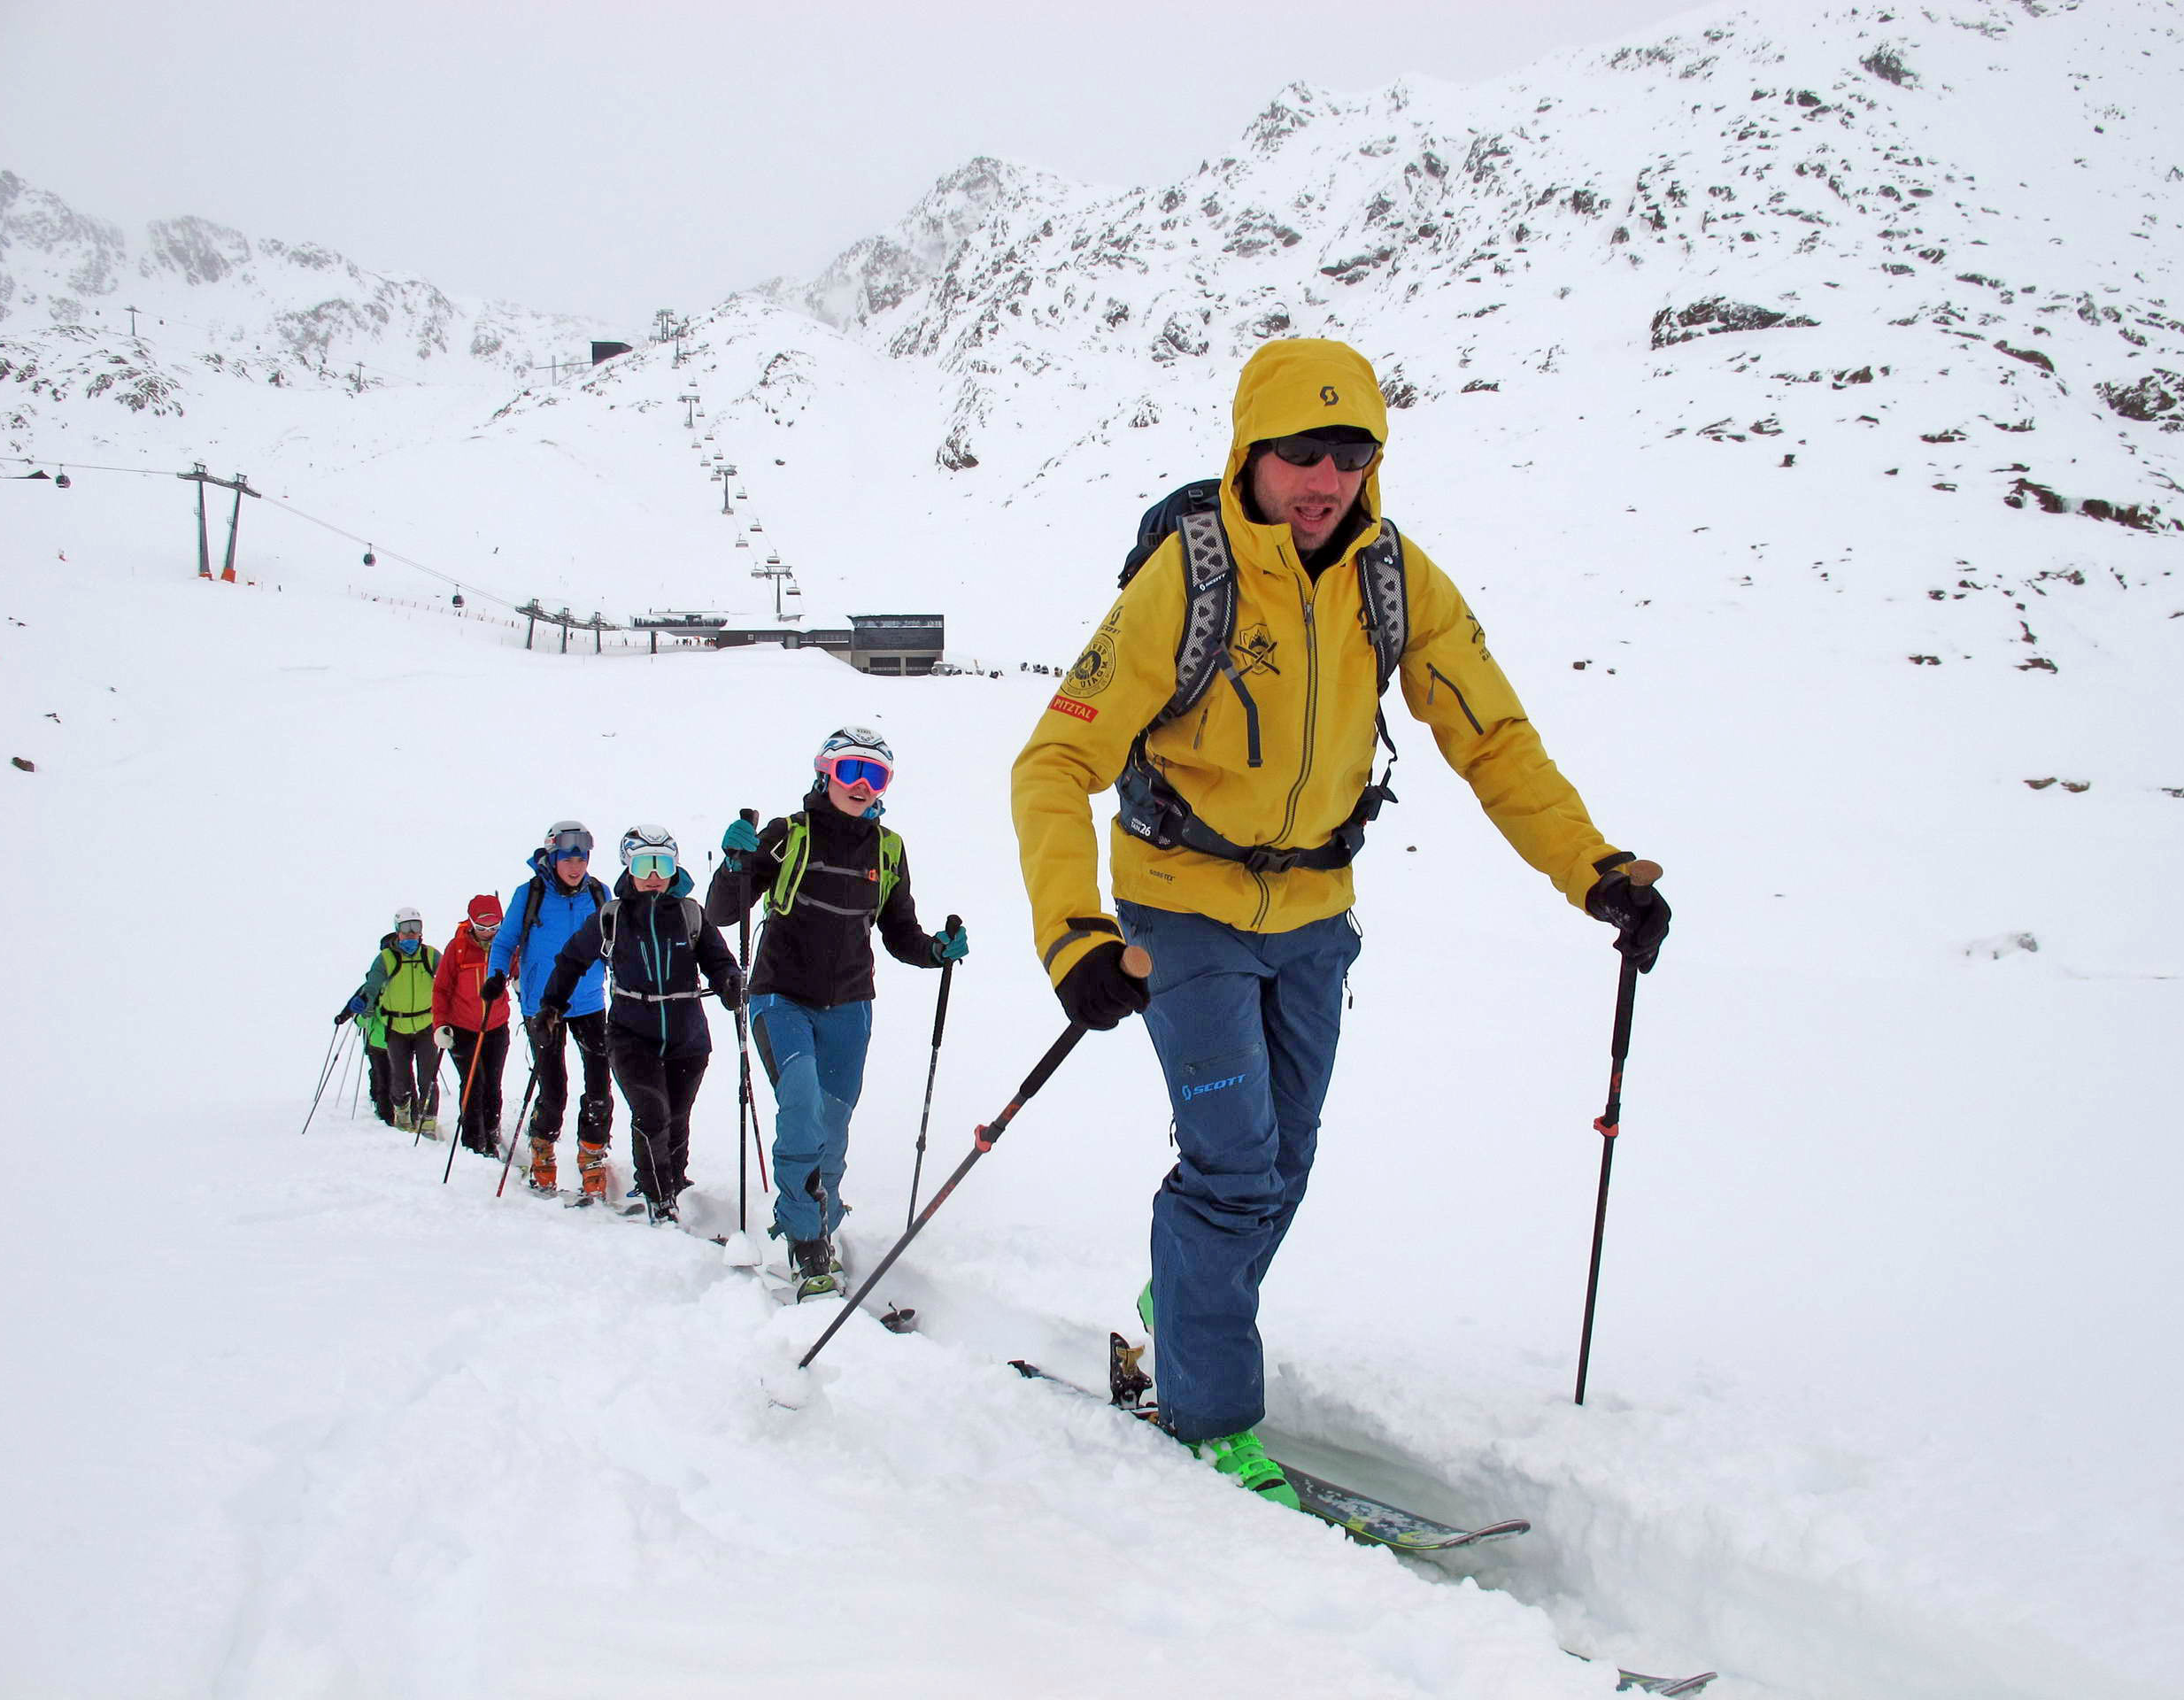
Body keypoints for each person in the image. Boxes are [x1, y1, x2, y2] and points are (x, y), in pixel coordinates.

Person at [1009, 337, 1671, 1508]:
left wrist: (1595, 870)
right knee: (1233, 1169)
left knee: (1287, 1162)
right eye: (1301, 455)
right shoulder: (1188, 579)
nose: (1326, 481)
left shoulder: (1394, 578)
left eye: (1352, 456)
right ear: (1250, 454)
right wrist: (1074, 933)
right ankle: (1207, 1420)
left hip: (1315, 911)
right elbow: (1058, 757)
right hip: (1182, 907)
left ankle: (1187, 1301)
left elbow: (1492, 735)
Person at [707, 728, 969, 1299]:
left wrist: (934, 951)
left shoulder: (887, 849)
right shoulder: (785, 836)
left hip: (850, 1005)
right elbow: (723, 913)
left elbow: (899, 932)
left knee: (833, 1126)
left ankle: (820, 1227)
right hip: (781, 995)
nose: (862, 785)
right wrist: (734, 864)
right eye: (852, 770)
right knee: (801, 1108)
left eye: (876, 776)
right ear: (826, 771)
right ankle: (804, 1240)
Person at [542, 827, 743, 1223]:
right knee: (651, 1111)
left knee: (677, 1115)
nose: (654, 874)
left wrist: (730, 983)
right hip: (631, 1033)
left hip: (687, 1035)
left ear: (674, 867)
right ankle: (657, 1193)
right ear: (628, 867)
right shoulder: (612, 917)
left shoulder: (690, 913)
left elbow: (718, 961)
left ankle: (675, 1181)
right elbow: (571, 961)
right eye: (643, 864)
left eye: (663, 864)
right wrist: (551, 1004)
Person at [485, 822, 613, 1198]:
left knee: (599, 1084)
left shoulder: (599, 893)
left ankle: (592, 1154)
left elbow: (613, 943)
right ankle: (542, 1148)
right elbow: (505, 941)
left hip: (589, 1000)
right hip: (543, 1006)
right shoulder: (530, 895)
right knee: (553, 1085)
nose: (576, 866)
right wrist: (495, 976)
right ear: (553, 858)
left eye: (583, 858)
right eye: (569, 858)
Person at [348, 907, 445, 1135]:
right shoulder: (385, 959)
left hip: (425, 1025)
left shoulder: (431, 956)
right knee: (400, 1077)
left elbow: (446, 983)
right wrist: (366, 1004)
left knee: (427, 1077)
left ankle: (428, 1120)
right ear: (397, 931)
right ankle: (402, 1115)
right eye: (406, 928)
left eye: (416, 928)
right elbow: (373, 985)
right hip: (396, 1027)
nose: (411, 933)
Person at [431, 893, 513, 1157]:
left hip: (496, 1027)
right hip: (463, 1028)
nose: (488, 934)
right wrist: (440, 1026)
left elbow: (519, 970)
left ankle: (491, 1131)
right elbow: (441, 990)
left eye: (494, 927)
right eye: (481, 928)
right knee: (473, 1083)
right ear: (471, 923)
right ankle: (473, 1141)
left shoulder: (506, 947)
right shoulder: (457, 949)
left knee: (493, 1084)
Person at [334, 936, 396, 1126]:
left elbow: (357, 1004)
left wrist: (344, 1017)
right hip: (397, 1039)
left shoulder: (372, 982)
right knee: (395, 1076)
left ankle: (383, 1108)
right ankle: (391, 1110)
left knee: (382, 1075)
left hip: (376, 1040)